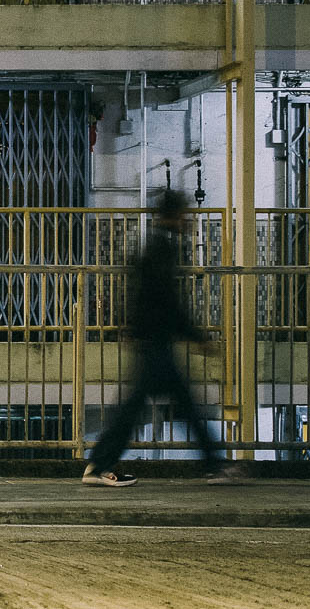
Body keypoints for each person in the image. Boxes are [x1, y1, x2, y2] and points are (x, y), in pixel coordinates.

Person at [83, 190, 245, 487]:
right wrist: (195, 335)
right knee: (162, 408)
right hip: (156, 342)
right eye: (185, 214)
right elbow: (166, 300)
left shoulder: (156, 246)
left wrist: (133, 325)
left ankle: (100, 463)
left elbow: (145, 293)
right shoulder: (162, 248)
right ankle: (213, 464)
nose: (188, 220)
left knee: (146, 408)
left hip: (153, 340)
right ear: (174, 215)